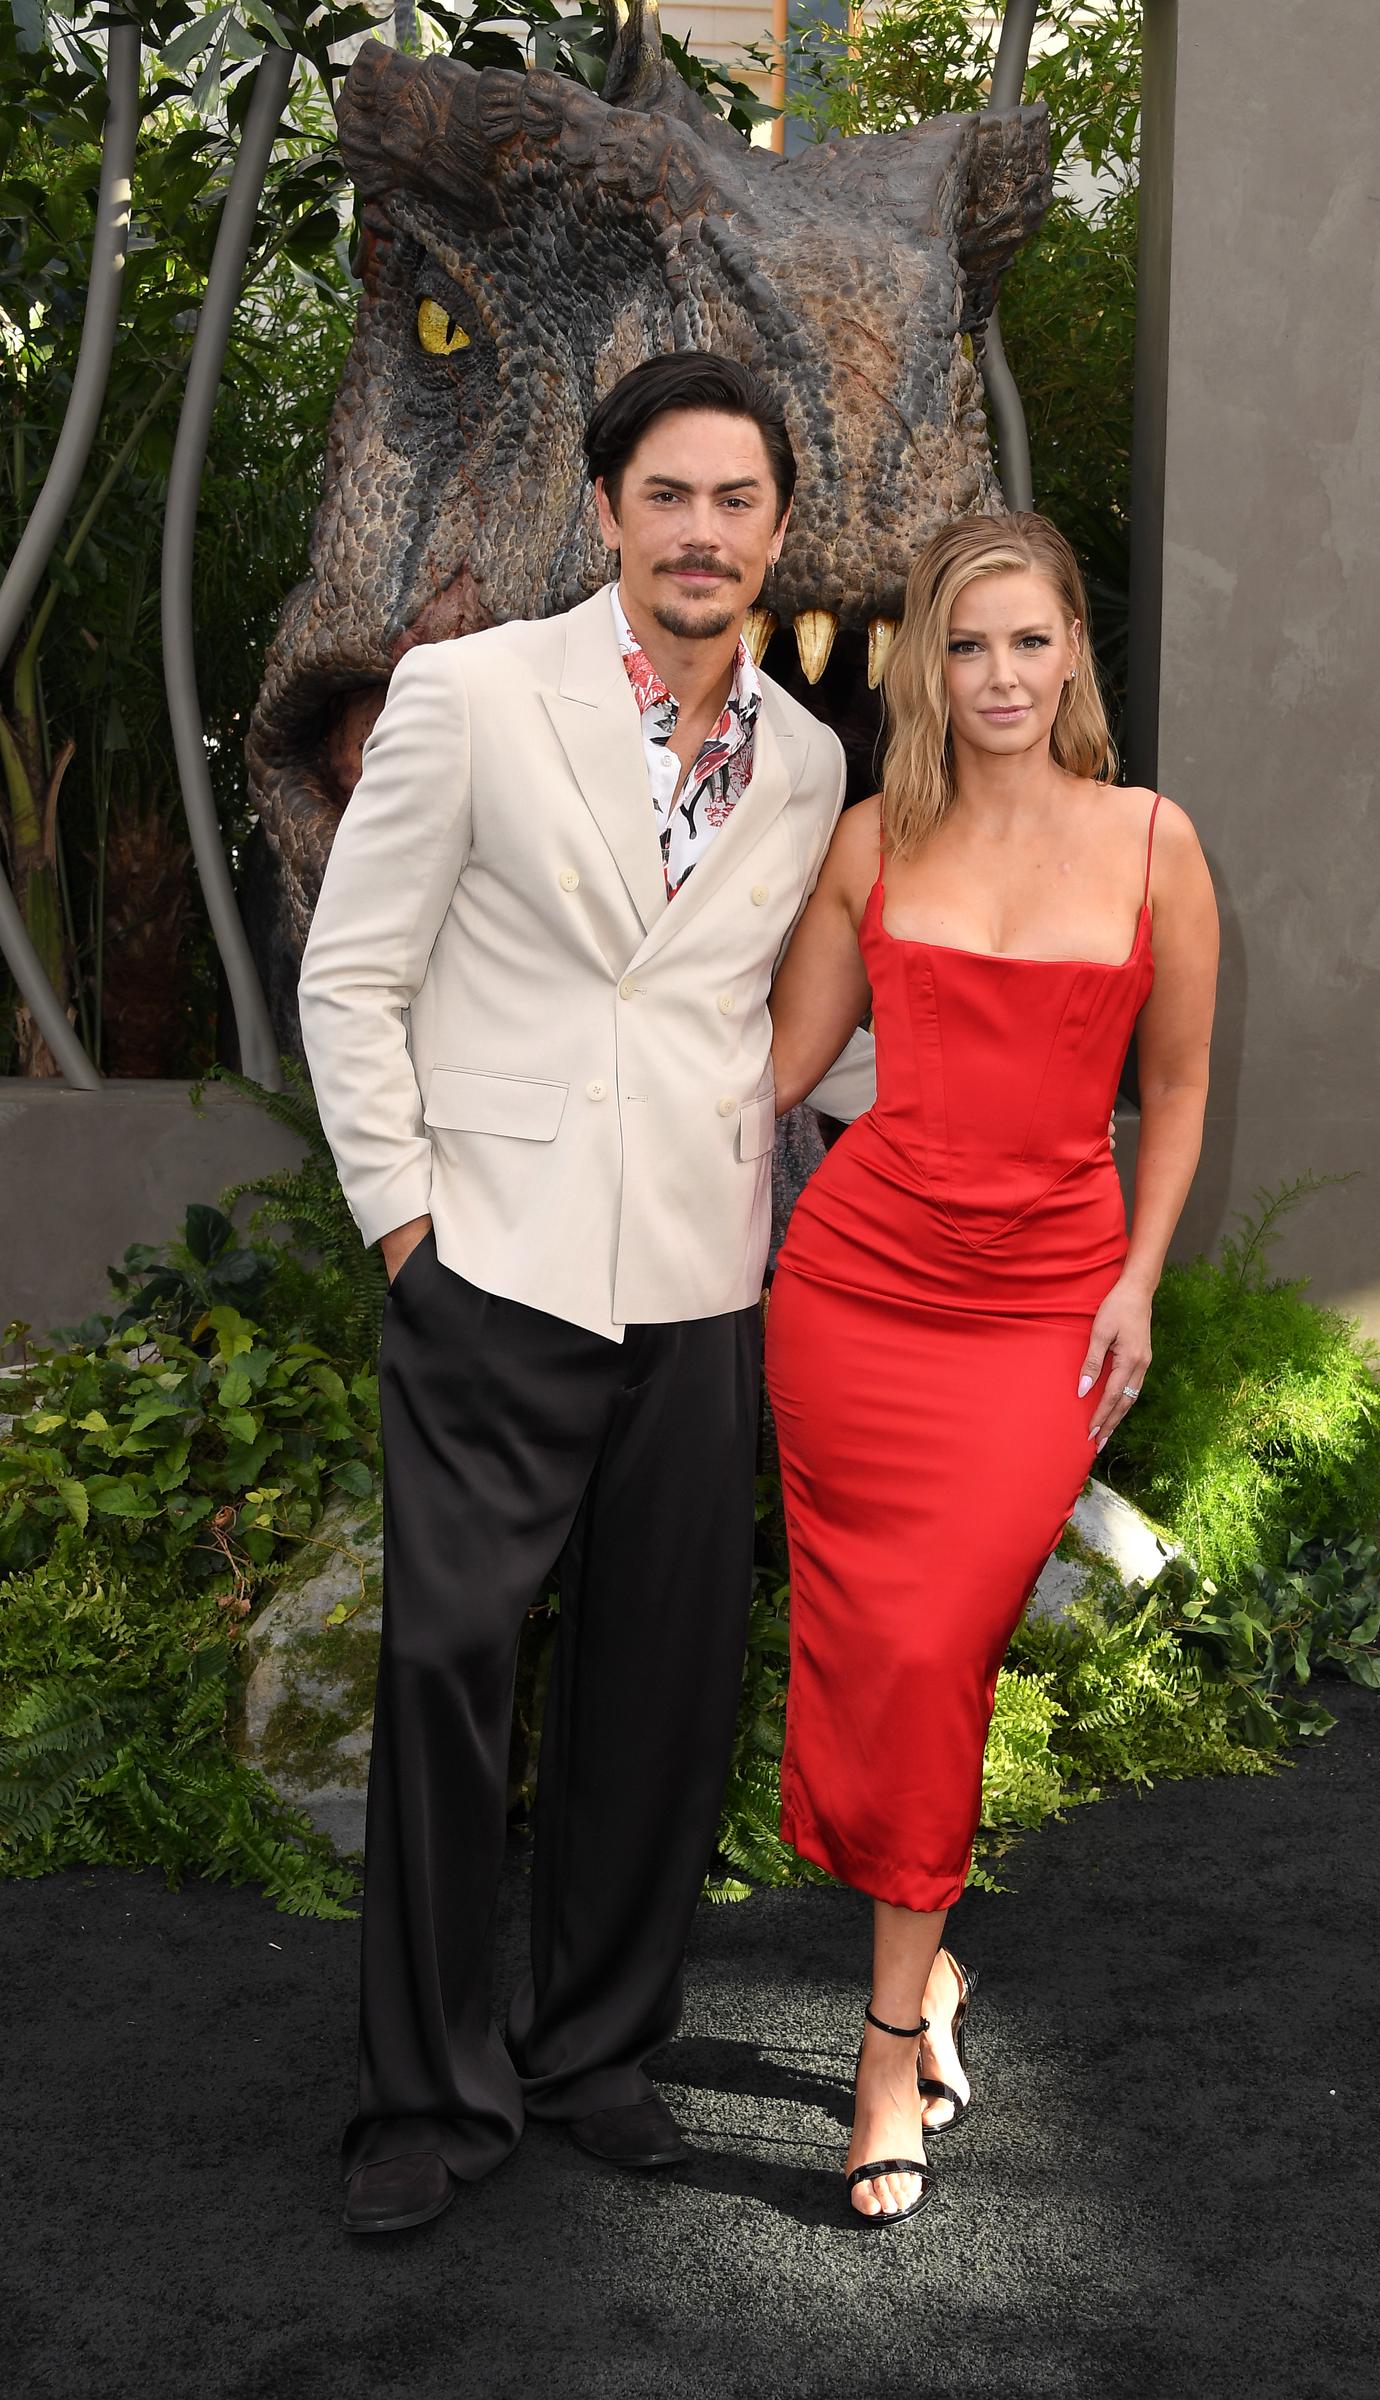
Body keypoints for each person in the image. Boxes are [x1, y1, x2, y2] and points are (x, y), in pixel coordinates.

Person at [297, 351, 872, 2236]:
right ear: (607, 509)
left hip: (702, 1280)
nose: (701, 533)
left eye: (737, 503)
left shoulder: (805, 760)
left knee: (661, 1688)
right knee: (448, 1680)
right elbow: (350, 976)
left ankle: (594, 2046)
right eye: (668, 496)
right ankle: (426, 2094)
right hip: (495, 1269)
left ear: (779, 531)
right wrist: (408, 1233)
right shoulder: (467, 699)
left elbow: (771, 1014)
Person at [764, 511, 1219, 2226]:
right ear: (922, 668)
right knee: (883, 1647)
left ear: (1074, 651)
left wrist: (1139, 1282)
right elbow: (777, 1065)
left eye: (1028, 642)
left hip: (1042, 1306)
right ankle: (914, 2001)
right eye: (966, 646)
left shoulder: (1155, 843)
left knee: (935, 1642)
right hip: (856, 1291)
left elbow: (1169, 1094)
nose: (1001, 676)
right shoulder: (874, 840)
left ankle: (889, 2031)